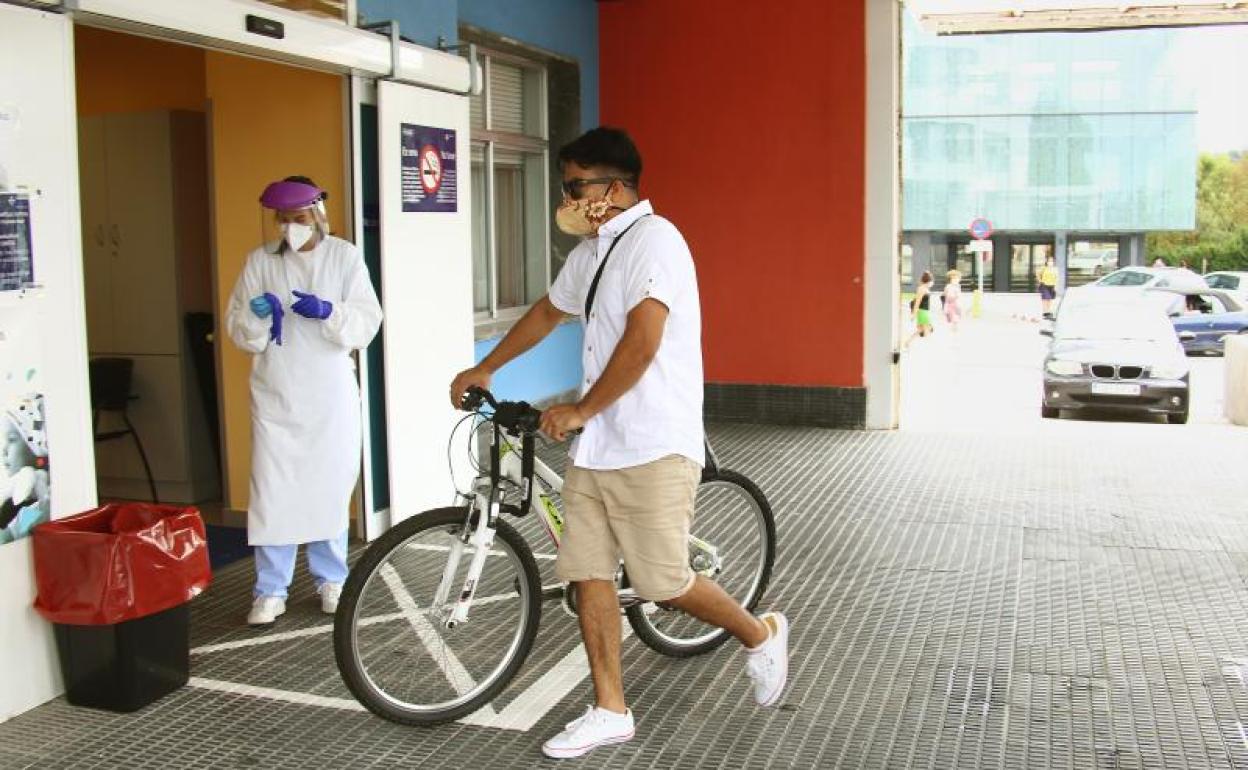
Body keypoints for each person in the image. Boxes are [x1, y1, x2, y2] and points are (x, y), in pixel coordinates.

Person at [449, 127, 789, 760]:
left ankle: (760, 633)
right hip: (598, 447)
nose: (568, 198)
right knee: (588, 576)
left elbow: (643, 341)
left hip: (653, 440)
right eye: (566, 187)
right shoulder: (593, 251)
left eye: (576, 186)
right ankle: (610, 709)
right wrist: (486, 366)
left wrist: (579, 408)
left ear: (612, 187)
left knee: (663, 584)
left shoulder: (657, 243)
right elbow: (548, 313)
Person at [226, 176, 382, 626]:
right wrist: (255, 318)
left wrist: (330, 312)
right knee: (273, 490)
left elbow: (368, 322)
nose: (290, 227)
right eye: (283, 220)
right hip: (277, 394)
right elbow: (239, 328)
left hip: (328, 393)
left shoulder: (345, 257)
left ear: (317, 215)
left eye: (298, 218)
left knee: (328, 486)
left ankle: (331, 579)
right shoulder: (259, 262)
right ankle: (270, 589)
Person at [0, 393, 50, 544]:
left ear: (36, 446)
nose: (4, 450)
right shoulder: (14, 489)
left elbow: (11, 535)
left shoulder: (39, 501)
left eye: (12, 440)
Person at [904, 271, 934, 348]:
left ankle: (908, 342)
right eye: (932, 281)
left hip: (924, 311)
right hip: (922, 312)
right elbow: (917, 302)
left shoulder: (925, 288)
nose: (932, 283)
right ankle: (928, 346)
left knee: (922, 329)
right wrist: (913, 314)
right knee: (927, 329)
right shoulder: (921, 289)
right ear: (929, 281)